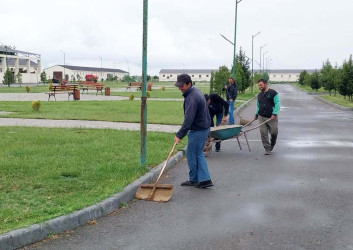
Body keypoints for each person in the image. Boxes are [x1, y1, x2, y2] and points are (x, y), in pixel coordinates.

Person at [174, 74, 213, 188]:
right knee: (197, 153)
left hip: (198, 129)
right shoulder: (194, 91)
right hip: (203, 127)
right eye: (178, 85)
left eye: (182, 86)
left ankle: (201, 179)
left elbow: (188, 119)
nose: (179, 88)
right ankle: (198, 179)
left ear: (189, 84)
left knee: (192, 154)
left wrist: (179, 135)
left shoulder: (192, 97)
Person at [254, 78, 280, 155]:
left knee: (274, 132)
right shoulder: (259, 95)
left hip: (271, 117)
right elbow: (258, 106)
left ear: (265, 84)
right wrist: (256, 114)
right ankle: (267, 149)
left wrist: (274, 113)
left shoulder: (273, 93)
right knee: (263, 133)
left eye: (261, 85)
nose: (260, 87)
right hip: (261, 117)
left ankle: (272, 144)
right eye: (259, 85)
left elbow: (277, 103)